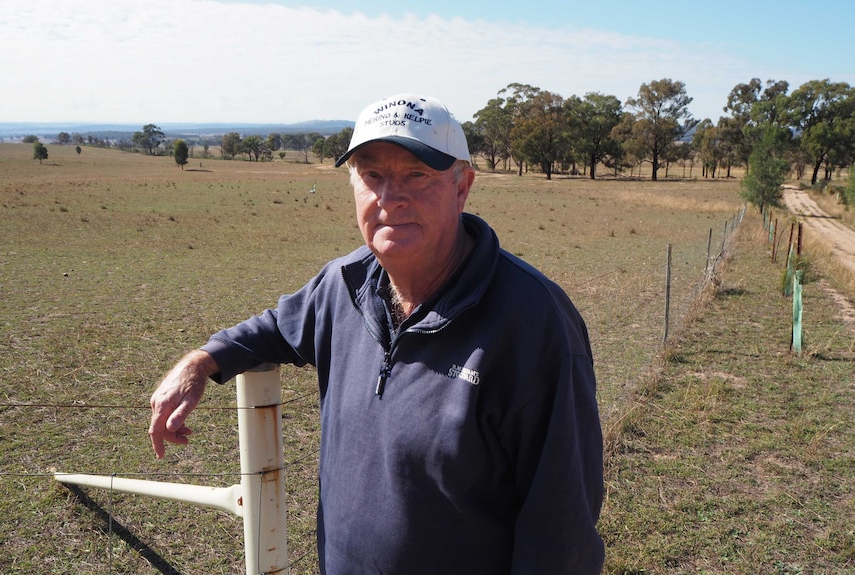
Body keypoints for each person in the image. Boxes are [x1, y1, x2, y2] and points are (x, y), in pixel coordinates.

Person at [149, 93, 604, 574]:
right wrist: (200, 361)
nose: (391, 198)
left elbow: (562, 531)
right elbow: (275, 327)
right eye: (373, 176)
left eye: (417, 175)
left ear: (462, 187)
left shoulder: (534, 323)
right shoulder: (344, 283)